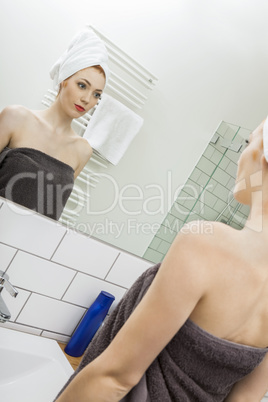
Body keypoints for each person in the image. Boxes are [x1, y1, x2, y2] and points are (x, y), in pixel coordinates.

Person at [54, 117, 268, 402]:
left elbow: (114, 377)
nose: (240, 156)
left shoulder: (206, 243)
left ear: (262, 155)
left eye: (248, 141)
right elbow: (245, 399)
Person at [0, 28, 109, 220]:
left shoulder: (82, 150)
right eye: (82, 85)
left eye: (96, 94)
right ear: (64, 80)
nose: (87, 99)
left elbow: (51, 214)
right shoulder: (16, 117)